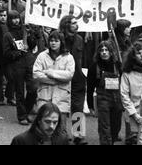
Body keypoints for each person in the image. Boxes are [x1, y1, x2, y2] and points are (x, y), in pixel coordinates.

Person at [33, 30, 75, 135]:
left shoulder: (68, 57)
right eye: (51, 40)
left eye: (56, 41)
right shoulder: (42, 56)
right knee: (42, 131)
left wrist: (50, 72)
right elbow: (36, 74)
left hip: (61, 99)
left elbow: (69, 75)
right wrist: (55, 81)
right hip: (44, 97)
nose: (53, 43)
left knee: (61, 131)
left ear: (61, 42)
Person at [87, 41, 123, 145]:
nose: (104, 52)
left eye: (106, 50)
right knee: (104, 127)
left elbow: (124, 83)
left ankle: (112, 140)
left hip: (117, 99)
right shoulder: (94, 67)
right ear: (98, 52)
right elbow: (90, 88)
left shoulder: (118, 64)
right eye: (101, 50)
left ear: (111, 52)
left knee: (116, 126)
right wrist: (90, 106)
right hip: (103, 99)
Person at [59, 15, 88, 145]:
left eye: (77, 23)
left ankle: (78, 135)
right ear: (66, 25)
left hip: (77, 78)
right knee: (62, 107)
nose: (77, 25)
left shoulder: (80, 39)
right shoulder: (58, 38)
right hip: (63, 78)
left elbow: (82, 58)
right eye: (73, 23)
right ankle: (62, 134)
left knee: (78, 107)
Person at [121, 42, 142, 145]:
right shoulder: (127, 73)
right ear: (133, 56)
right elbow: (124, 95)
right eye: (139, 53)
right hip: (138, 111)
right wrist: (133, 113)